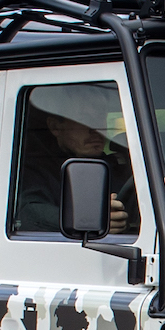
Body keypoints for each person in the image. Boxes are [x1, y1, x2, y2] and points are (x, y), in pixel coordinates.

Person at [12, 83, 135, 235]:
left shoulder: (122, 168)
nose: (95, 128)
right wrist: (90, 220)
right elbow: (29, 211)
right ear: (55, 127)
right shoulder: (34, 170)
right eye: (84, 118)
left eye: (100, 117)